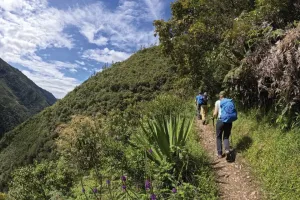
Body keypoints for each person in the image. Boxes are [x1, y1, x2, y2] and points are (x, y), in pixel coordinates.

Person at [213, 91, 237, 159]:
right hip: (229, 122)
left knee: (218, 137)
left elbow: (215, 113)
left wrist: (213, 116)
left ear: (220, 95)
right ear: (226, 95)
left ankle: (220, 154)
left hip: (220, 121)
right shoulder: (230, 101)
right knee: (226, 137)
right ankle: (227, 150)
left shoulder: (217, 102)